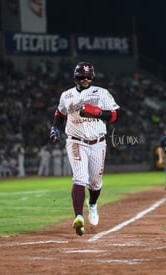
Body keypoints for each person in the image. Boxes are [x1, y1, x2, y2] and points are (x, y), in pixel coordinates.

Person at [49, 61, 119, 236]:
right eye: (82, 76)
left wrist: (97, 112)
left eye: (89, 76)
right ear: (76, 77)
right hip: (76, 141)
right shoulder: (66, 95)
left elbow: (114, 115)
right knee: (79, 177)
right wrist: (55, 127)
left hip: (98, 142)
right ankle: (78, 216)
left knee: (95, 182)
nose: (86, 79)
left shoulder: (102, 93)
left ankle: (92, 204)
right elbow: (60, 113)